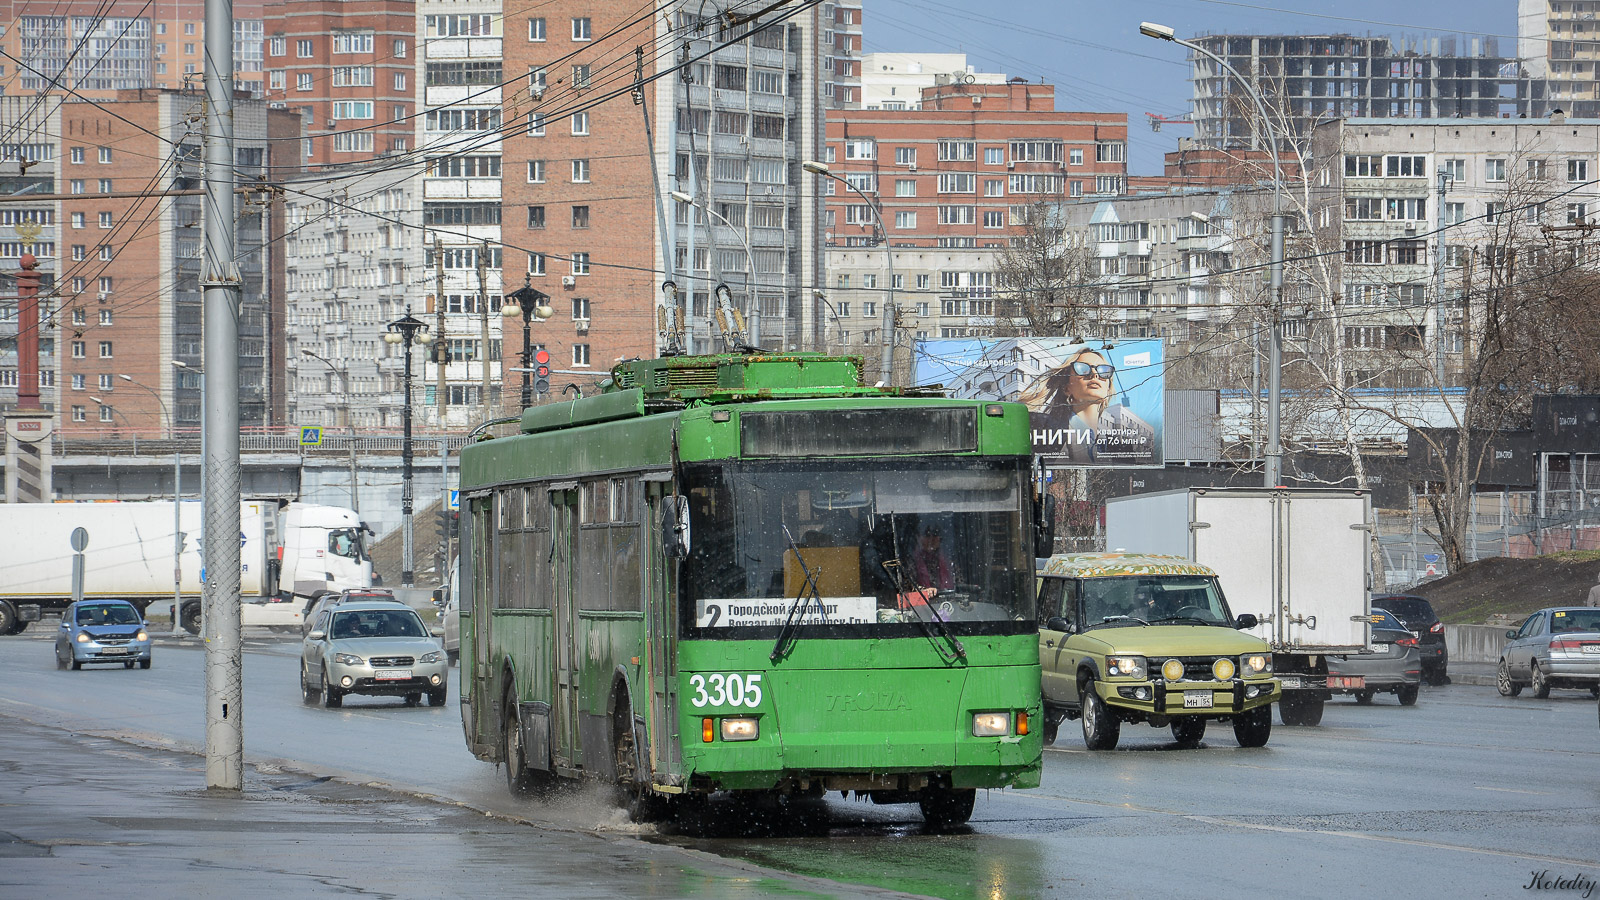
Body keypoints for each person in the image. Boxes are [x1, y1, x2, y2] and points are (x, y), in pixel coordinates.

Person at [1017, 348, 1155, 464]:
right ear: (1066, 388)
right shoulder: (1043, 430)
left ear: (1108, 389)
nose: (1095, 374)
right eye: (1083, 369)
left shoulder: (1120, 448)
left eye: (1104, 371)